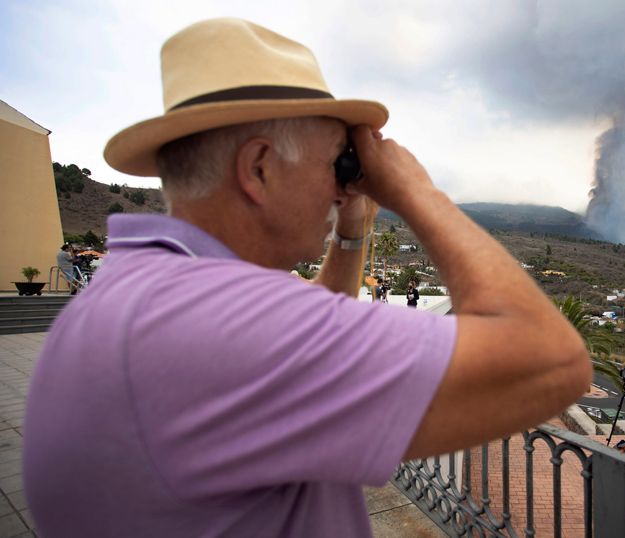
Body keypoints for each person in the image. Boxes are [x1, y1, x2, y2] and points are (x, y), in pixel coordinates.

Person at [23, 18, 591, 538]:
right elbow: (552, 362)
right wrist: (417, 192)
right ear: (259, 167)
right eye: (337, 164)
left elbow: (302, 328)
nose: (346, 186)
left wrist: (351, 233)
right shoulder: (219, 328)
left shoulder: (138, 294)